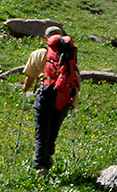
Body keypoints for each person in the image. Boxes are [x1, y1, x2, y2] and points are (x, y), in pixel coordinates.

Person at [27, 26, 79, 176]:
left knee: (41, 132)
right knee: (53, 131)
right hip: (63, 96)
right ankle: (47, 158)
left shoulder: (38, 53)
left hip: (44, 94)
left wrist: (25, 87)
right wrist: (73, 101)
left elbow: (29, 79)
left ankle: (40, 167)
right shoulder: (69, 55)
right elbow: (75, 79)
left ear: (46, 39)